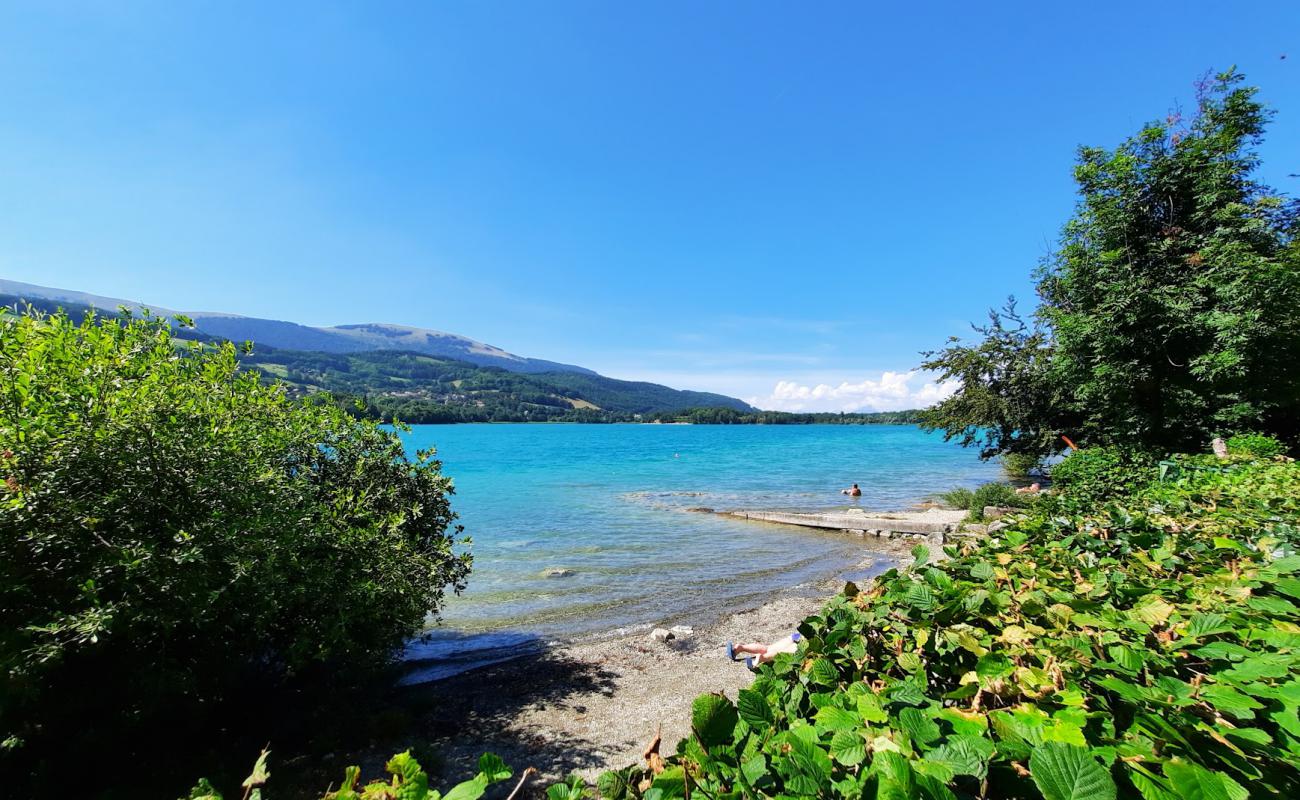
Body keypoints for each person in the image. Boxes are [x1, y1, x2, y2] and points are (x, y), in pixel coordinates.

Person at [726, 634, 801, 670]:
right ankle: (762, 658)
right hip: (805, 639)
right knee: (782, 653)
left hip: (796, 635)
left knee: (767, 649)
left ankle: (741, 648)